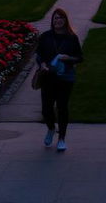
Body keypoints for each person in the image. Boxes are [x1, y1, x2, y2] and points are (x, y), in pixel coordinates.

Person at [35, 8, 83, 152]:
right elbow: (39, 55)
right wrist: (42, 64)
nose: (58, 21)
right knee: (46, 109)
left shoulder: (71, 38)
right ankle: (51, 128)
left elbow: (80, 57)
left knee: (62, 107)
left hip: (65, 77)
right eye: (56, 18)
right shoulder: (46, 36)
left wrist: (68, 58)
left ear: (65, 20)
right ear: (52, 21)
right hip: (48, 77)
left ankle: (61, 138)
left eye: (61, 18)